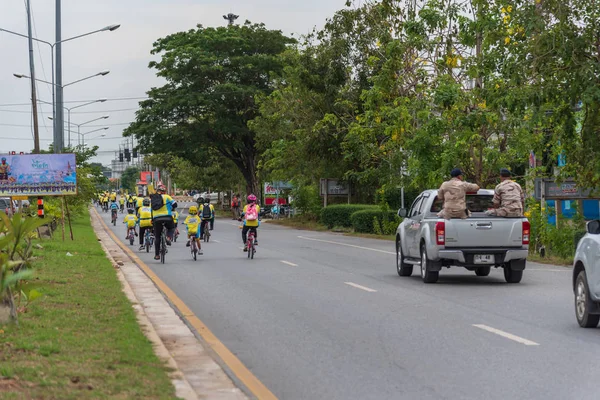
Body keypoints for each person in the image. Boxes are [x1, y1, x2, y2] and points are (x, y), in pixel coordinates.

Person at [151, 184, 177, 260]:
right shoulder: (167, 197)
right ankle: (168, 237)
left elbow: (151, 210)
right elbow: (175, 204)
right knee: (172, 227)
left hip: (156, 219)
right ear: (164, 191)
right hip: (167, 217)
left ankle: (157, 255)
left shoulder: (153, 198)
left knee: (157, 237)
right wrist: (171, 208)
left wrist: (152, 219)